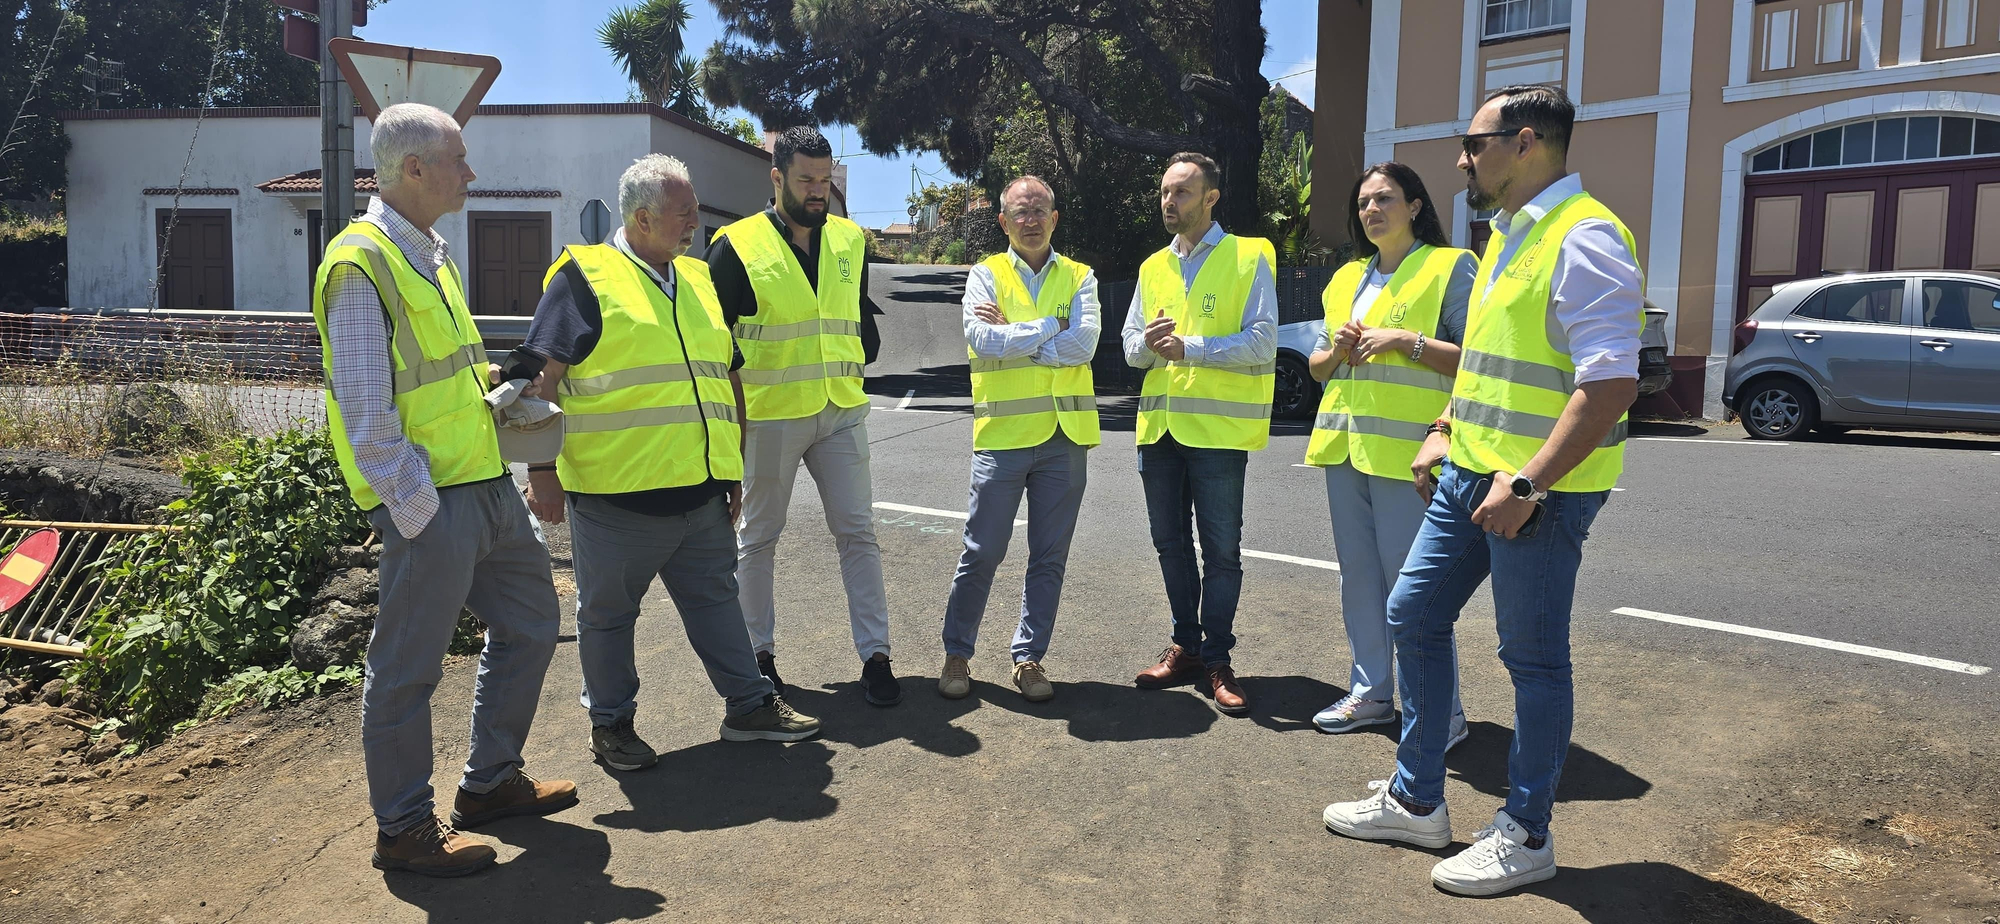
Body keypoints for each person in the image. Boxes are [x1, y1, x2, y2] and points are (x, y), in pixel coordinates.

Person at [1322, 85, 1644, 897]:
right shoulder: (1505, 236)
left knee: (1532, 662)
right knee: (1413, 612)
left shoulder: (1588, 236)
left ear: (1525, 142)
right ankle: (1418, 798)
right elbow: (1487, 364)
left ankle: (1527, 831)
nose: (1462, 159)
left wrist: (1531, 482)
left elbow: (1609, 385)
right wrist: (1445, 425)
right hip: (1469, 468)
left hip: (1535, 491)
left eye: (1474, 143)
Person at [312, 103, 575, 878]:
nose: (472, 172)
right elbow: (367, 414)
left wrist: (502, 381)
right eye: (459, 159)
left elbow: (440, 379)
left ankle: (489, 784)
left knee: (532, 623)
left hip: (485, 483)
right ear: (415, 169)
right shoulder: (360, 262)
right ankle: (403, 830)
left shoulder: (430, 254)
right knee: (406, 669)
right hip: (435, 500)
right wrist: (418, 508)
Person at [518, 155, 822, 773]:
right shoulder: (584, 277)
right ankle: (612, 727)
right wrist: (542, 473)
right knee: (607, 619)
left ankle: (749, 707)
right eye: (684, 213)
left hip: (700, 492)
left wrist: (730, 468)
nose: (694, 222)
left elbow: (725, 374)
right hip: (614, 498)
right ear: (641, 216)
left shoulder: (698, 278)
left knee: (715, 601)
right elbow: (539, 380)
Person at [707, 126, 899, 706]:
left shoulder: (850, 239)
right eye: (806, 180)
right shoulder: (735, 245)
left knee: (858, 533)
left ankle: (877, 657)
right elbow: (716, 343)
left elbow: (855, 318)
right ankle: (758, 659)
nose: (818, 191)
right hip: (770, 417)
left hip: (841, 410)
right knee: (758, 539)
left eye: (825, 179)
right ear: (777, 178)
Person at [1303, 163, 1475, 748]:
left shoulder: (1450, 267)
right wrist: (1339, 352)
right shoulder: (1346, 278)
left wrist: (1407, 342)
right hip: (1345, 447)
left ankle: (1441, 714)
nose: (1371, 210)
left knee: (1414, 589)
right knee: (1360, 579)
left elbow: (1476, 360)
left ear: (1416, 206)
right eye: (1364, 203)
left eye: (1385, 199)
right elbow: (1318, 366)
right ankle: (1372, 692)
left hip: (1411, 454)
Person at [1122, 152, 1277, 716]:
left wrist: (1192, 348)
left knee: (1221, 553)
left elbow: (1263, 341)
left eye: (1182, 192)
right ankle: (1186, 645)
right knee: (1170, 546)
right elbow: (1130, 348)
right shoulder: (1151, 267)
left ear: (1211, 197)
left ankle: (1216, 657)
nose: (1169, 202)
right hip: (1158, 430)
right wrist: (1149, 344)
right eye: (1165, 192)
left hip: (1216, 433)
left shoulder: (1249, 255)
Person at [938, 175, 1100, 703]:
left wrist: (1021, 334)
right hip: (1003, 437)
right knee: (981, 552)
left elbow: (1087, 344)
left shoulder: (1081, 276)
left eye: (1039, 211)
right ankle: (957, 654)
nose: (1030, 221)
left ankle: (1029, 658)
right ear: (1004, 222)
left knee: (1049, 556)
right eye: (1019, 213)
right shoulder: (984, 275)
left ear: (1054, 218)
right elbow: (983, 339)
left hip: (1064, 438)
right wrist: (1052, 324)